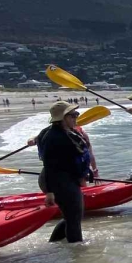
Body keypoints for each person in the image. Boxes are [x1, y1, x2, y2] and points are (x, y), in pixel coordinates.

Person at [36, 102, 93, 244]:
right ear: (63, 118)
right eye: (72, 115)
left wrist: (84, 173)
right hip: (58, 181)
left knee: (72, 217)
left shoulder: (65, 131)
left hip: (65, 178)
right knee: (73, 219)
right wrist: (50, 192)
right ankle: (77, 251)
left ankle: (54, 243)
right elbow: (49, 165)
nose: (76, 118)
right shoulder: (54, 137)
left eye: (76, 114)